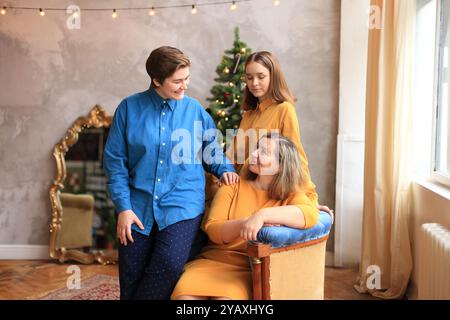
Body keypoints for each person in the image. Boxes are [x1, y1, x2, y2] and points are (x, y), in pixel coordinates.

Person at [103, 46, 239, 300]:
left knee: (168, 263)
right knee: (131, 271)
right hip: (137, 205)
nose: (184, 86)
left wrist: (225, 170)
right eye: (177, 81)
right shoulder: (129, 109)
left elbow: (212, 150)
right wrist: (123, 208)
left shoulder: (195, 110)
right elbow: (115, 162)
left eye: (186, 78)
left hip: (183, 203)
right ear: (156, 80)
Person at [171, 133, 319, 300]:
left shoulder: (290, 195)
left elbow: (310, 214)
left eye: (263, 152)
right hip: (211, 262)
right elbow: (213, 229)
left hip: (248, 269)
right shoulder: (233, 185)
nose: (254, 154)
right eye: (257, 148)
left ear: (281, 165)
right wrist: (247, 223)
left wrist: (262, 215)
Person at [223, 51, 333, 216]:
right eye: (249, 77)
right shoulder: (249, 114)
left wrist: (310, 199)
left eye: (261, 77)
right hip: (240, 186)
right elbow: (234, 154)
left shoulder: (284, 110)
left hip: (264, 192)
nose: (254, 83)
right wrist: (221, 172)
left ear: (273, 76)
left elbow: (296, 157)